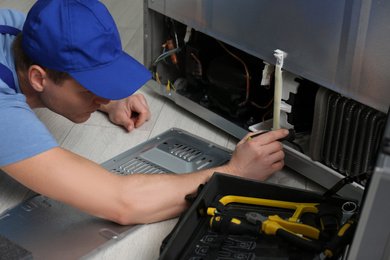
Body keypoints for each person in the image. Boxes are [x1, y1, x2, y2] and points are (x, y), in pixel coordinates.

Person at [0, 0, 288, 225]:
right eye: (89, 89)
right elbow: (123, 202)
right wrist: (234, 173)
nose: (102, 96)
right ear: (38, 78)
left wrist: (108, 98)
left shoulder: (16, 29)